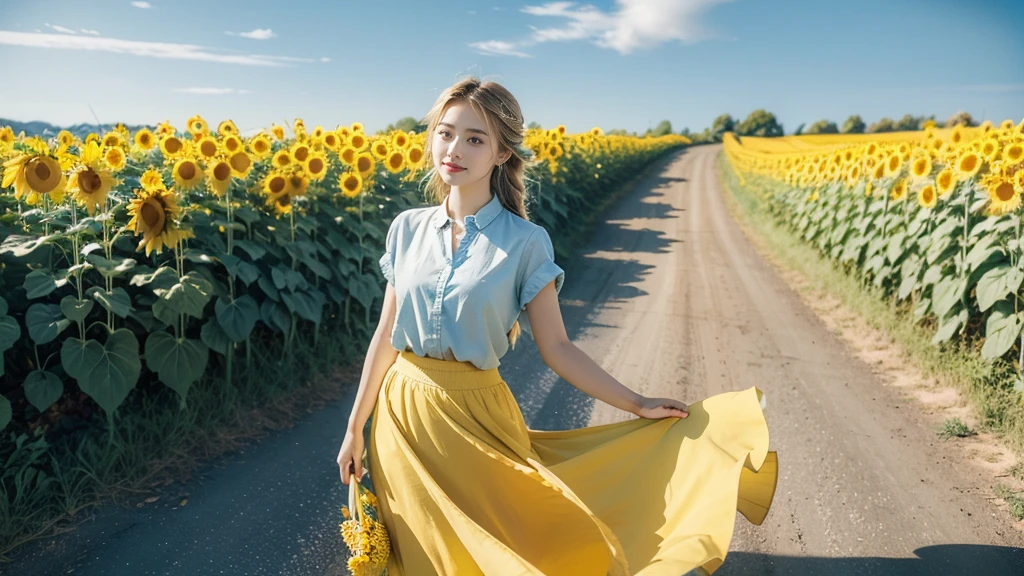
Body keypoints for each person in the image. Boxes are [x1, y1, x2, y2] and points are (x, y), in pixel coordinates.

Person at [336, 76, 778, 576]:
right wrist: (355, 427)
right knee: (417, 557)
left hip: (476, 419)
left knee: (500, 553)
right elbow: (385, 334)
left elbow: (559, 348)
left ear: (502, 153)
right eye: (445, 132)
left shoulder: (526, 242)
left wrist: (636, 403)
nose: (454, 149)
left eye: (475, 138)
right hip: (400, 419)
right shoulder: (406, 228)